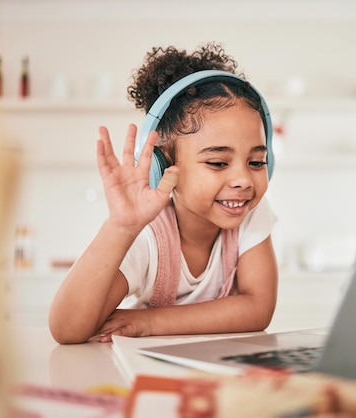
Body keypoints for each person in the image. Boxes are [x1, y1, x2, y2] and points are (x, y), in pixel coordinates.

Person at [49, 42, 278, 344]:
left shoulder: (250, 214)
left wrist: (149, 322)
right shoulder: (149, 237)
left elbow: (258, 308)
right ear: (164, 165)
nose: (243, 180)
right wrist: (121, 226)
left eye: (256, 162)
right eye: (218, 162)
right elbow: (67, 329)